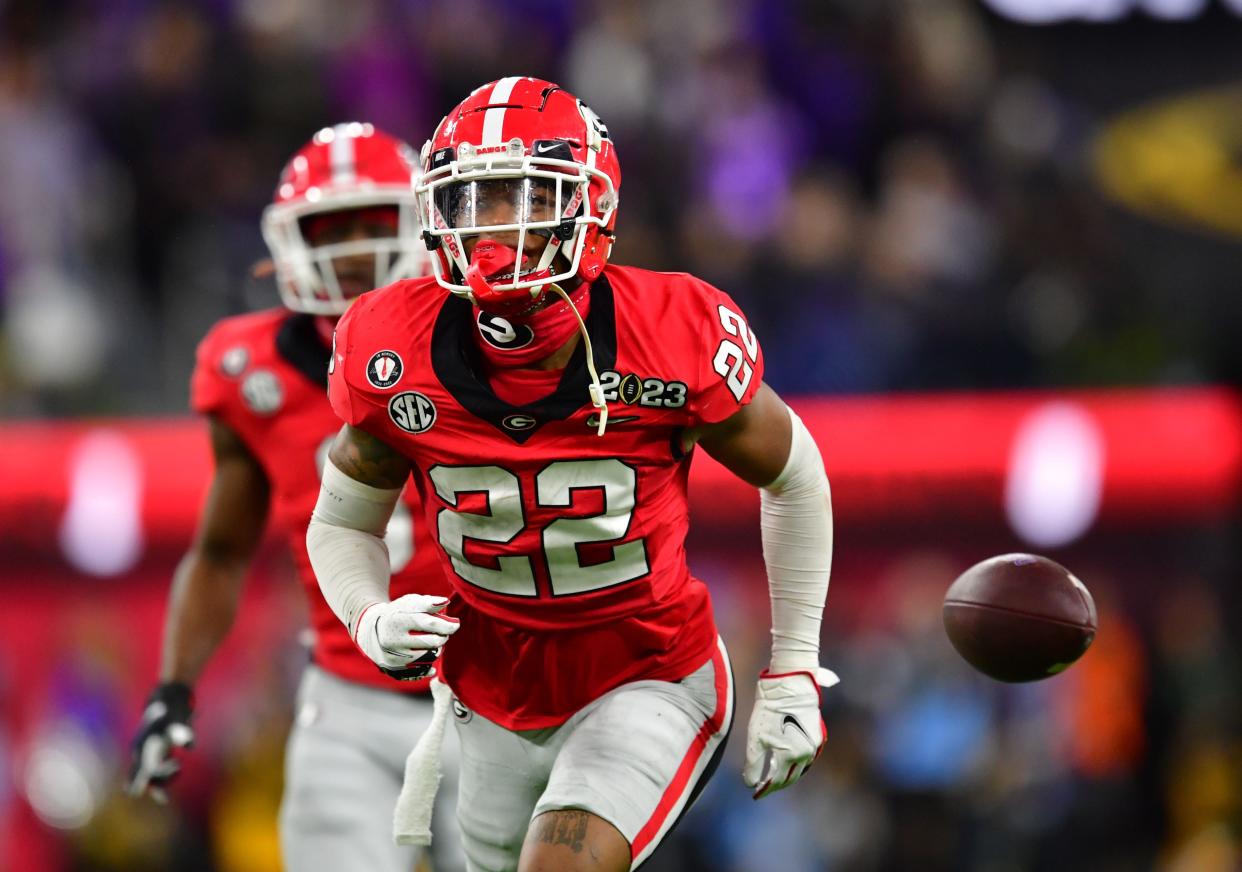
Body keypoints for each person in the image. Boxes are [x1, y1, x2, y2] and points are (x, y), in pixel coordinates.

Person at [308, 79, 837, 872]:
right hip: (488, 696)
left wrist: (793, 666)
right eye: (473, 200)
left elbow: (793, 476)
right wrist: (366, 616)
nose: (493, 228)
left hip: (646, 675)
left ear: (589, 206)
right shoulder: (390, 349)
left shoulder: (673, 332)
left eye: (518, 197)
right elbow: (342, 520)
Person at [126, 123, 465, 872]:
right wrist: (174, 689)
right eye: (327, 229)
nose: (349, 250)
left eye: (371, 224)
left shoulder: (483, 338)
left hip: (497, 692)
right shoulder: (251, 375)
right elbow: (220, 552)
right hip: (349, 694)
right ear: (288, 241)